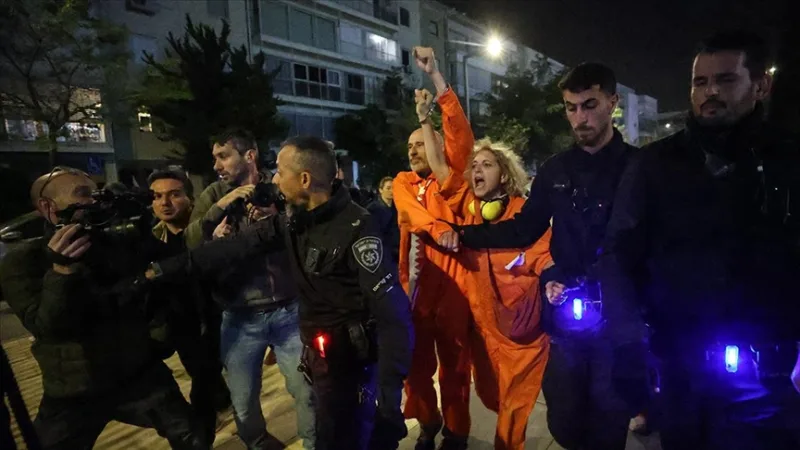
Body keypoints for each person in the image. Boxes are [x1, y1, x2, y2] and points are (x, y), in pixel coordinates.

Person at [145, 136, 414, 450]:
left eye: (280, 171)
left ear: (304, 179)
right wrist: (162, 270)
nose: (273, 178)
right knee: (326, 431)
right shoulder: (293, 219)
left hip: (352, 361)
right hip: (319, 353)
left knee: (355, 435)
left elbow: (393, 315)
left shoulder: (357, 227)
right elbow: (234, 248)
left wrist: (390, 399)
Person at [600, 30, 800, 450]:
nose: (710, 92)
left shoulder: (787, 160)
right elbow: (619, 252)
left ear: (761, 85)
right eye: (700, 82)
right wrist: (625, 340)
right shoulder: (655, 164)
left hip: (770, 380)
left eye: (726, 80)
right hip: (680, 373)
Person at [440, 63, 643, 450]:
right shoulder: (555, 169)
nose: (580, 117)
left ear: (612, 103)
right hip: (567, 319)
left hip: (620, 319)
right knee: (565, 422)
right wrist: (462, 235)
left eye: (589, 105)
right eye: (571, 107)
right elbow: (523, 228)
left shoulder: (639, 167)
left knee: (608, 422)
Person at [0, 167, 209, 449]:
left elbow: (176, 264)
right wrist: (62, 272)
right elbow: (47, 327)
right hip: (74, 389)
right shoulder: (24, 261)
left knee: (193, 436)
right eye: (83, 195)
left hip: (137, 374)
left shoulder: (113, 240)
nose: (95, 202)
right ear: (48, 207)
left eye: (96, 193)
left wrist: (141, 222)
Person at [420, 87, 554, 449]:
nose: (476, 169)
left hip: (523, 338)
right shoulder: (469, 212)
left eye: (487, 164)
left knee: (511, 414)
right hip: (484, 332)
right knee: (491, 398)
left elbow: (545, 255)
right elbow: (440, 167)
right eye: (474, 166)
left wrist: (553, 280)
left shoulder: (524, 216)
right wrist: (424, 119)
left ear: (505, 174)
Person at [186, 130, 315, 449]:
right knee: (242, 403)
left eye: (223, 155)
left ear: (250, 156)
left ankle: (316, 444)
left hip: (289, 310)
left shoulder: (279, 185)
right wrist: (218, 211)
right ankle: (258, 443)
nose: (216, 164)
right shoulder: (213, 193)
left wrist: (279, 217)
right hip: (239, 316)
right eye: (214, 157)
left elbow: (312, 224)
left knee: (307, 390)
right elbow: (189, 243)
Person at [392, 46, 474, 449]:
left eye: (420, 144)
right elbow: (410, 215)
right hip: (416, 297)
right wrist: (439, 226)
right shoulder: (403, 183)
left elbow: (458, 129)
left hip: (455, 295)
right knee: (415, 369)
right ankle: (427, 421)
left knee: (455, 371)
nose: (413, 151)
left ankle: (457, 432)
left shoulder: (453, 180)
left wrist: (436, 78)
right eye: (409, 147)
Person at [147, 167, 232, 441]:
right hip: (183, 327)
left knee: (204, 390)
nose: (165, 203)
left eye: (174, 194)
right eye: (158, 196)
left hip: (221, 318)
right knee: (204, 380)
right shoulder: (149, 238)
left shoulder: (212, 230)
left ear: (190, 199)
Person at [366, 176, 400, 271]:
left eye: (394, 188)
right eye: (388, 188)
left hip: (397, 250)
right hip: (384, 252)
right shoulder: (373, 209)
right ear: (380, 190)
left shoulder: (398, 207)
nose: (391, 191)